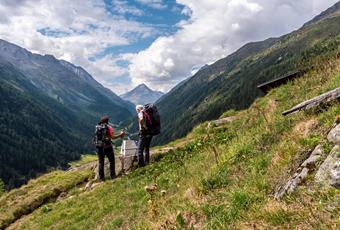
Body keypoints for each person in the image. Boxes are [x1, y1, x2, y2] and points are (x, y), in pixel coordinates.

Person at [95, 116, 125, 181]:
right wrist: (120, 135)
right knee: (111, 161)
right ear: (107, 121)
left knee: (101, 162)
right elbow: (112, 137)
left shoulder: (97, 127)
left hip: (99, 147)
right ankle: (113, 176)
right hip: (107, 146)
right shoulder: (109, 127)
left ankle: (101, 178)